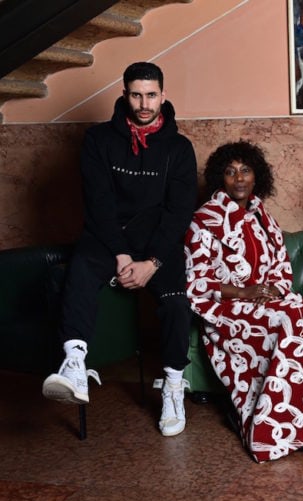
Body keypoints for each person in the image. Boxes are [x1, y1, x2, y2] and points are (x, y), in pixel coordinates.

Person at [42, 62, 197, 437]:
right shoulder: (98, 140)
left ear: (163, 94)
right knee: (80, 269)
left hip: (157, 240)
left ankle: (174, 384)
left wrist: (152, 262)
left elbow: (178, 213)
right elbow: (99, 203)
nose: (144, 103)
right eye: (136, 94)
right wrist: (122, 255)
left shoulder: (179, 148)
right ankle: (75, 363)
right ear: (124, 94)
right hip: (108, 235)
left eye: (151, 94)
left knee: (177, 302)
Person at [184, 141, 303, 462]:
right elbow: (197, 281)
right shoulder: (205, 219)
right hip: (225, 312)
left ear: (256, 176)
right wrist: (245, 293)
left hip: (264, 304)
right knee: (290, 320)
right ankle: (277, 426)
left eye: (246, 170)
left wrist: (274, 290)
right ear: (219, 178)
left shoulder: (262, 215)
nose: (239, 178)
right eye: (230, 171)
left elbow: (280, 265)